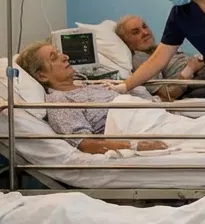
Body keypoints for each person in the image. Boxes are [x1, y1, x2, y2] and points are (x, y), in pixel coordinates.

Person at [17, 40, 166, 156]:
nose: (65, 56)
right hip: (137, 125)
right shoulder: (60, 101)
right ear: (42, 75)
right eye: (54, 57)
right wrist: (135, 146)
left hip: (154, 117)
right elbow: (87, 144)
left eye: (59, 52)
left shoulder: (85, 85)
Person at [115, 16, 205, 101]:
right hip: (200, 83)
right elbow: (166, 96)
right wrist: (189, 70)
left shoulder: (160, 49)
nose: (145, 33)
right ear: (126, 40)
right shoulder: (140, 58)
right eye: (136, 32)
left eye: (144, 27)